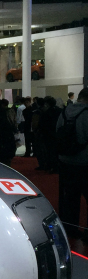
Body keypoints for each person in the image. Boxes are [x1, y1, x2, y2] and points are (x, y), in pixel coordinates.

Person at [56, 87, 88, 227]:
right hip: (84, 162)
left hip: (65, 161)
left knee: (69, 197)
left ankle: (70, 227)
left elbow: (57, 132)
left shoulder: (64, 112)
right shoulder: (86, 113)